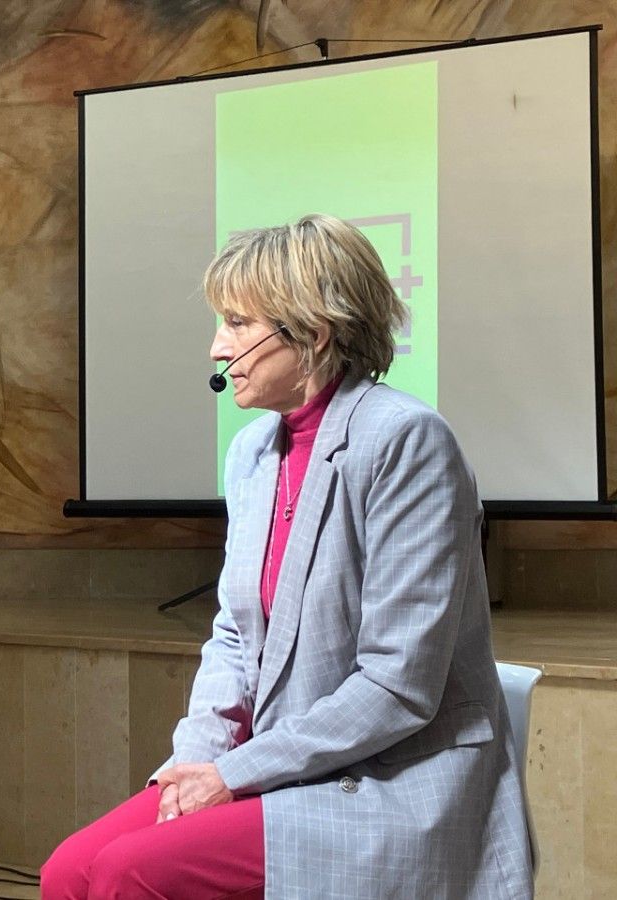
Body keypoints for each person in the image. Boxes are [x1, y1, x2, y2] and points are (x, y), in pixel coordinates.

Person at [41, 214, 533, 898]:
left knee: (131, 872)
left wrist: (235, 776)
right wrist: (194, 762)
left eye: (238, 323)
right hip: (282, 767)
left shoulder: (406, 442)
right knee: (68, 871)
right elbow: (234, 638)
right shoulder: (250, 454)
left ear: (312, 331)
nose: (217, 347)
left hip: (389, 782)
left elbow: (396, 687)